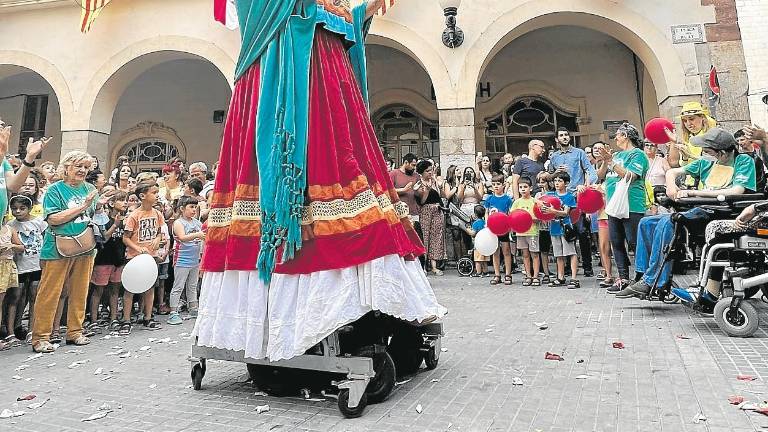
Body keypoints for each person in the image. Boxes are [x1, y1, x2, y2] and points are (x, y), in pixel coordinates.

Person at [195, 0, 444, 362]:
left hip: (329, 80)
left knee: (350, 181)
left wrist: (364, 12)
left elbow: (345, 21)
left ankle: (369, 316)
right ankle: (295, 326)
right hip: (290, 75)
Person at [616, 128, 757, 302]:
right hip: (700, 209)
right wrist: (671, 186)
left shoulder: (742, 161)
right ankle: (642, 276)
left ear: (721, 153)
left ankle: (652, 279)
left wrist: (693, 194)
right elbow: (671, 172)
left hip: (722, 212)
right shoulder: (706, 163)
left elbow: (737, 190)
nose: (705, 153)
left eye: (708, 151)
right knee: (647, 223)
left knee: (668, 222)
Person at [30, 151, 99, 353]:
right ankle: (41, 336)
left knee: (80, 290)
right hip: (57, 247)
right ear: (66, 167)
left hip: (85, 246)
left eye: (86, 167)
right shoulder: (54, 190)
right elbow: (53, 219)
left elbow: (91, 214)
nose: (83, 171)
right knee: (50, 293)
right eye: (78, 166)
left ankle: (75, 332)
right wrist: (83, 206)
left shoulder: (91, 188)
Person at [596, 122, 649, 289]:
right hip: (613, 206)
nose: (615, 138)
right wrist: (606, 161)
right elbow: (600, 175)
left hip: (632, 205)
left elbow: (630, 176)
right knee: (616, 242)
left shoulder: (637, 154)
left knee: (634, 242)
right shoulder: (617, 155)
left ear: (625, 136)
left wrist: (612, 162)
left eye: (617, 135)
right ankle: (623, 278)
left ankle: (642, 277)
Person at [545, 127, 597, 278]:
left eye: (566, 135)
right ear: (557, 139)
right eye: (561, 135)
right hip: (560, 198)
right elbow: (548, 178)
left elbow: (589, 171)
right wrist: (555, 173)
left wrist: (586, 186)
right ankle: (567, 268)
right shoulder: (554, 157)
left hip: (576, 196)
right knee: (563, 232)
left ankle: (587, 266)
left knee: (581, 231)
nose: (565, 137)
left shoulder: (579, 153)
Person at [121, 181, 165, 335]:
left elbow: (159, 232)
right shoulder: (134, 215)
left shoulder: (157, 214)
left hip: (150, 256)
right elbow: (125, 238)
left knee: (150, 287)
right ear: (142, 196)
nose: (157, 195)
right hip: (135, 257)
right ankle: (126, 319)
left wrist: (158, 239)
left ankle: (148, 317)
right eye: (154, 192)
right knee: (130, 289)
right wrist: (137, 248)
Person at [8, 194, 46, 343]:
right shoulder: (11, 225)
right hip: (19, 266)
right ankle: (12, 330)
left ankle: (32, 329)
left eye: (22, 208)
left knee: (34, 296)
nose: (18, 211)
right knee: (15, 297)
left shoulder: (39, 222)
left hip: (36, 265)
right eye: (14, 209)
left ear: (30, 208)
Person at [89, 191, 128, 332]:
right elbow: (104, 238)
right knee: (98, 290)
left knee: (115, 290)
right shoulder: (103, 219)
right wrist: (115, 225)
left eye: (126, 200)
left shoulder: (126, 220)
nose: (125, 203)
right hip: (103, 260)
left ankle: (114, 318)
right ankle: (93, 319)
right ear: (111, 203)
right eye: (122, 200)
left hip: (119, 259)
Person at [168, 196, 204, 325]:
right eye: (191, 207)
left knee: (193, 285)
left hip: (195, 259)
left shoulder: (197, 223)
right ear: (182, 209)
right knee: (178, 286)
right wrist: (197, 235)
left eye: (195, 207)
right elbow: (182, 237)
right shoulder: (178, 223)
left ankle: (193, 307)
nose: (194, 210)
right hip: (182, 259)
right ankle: (173, 312)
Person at [542, 171, 579, 288]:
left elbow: (565, 212)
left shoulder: (569, 196)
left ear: (566, 183)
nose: (557, 183)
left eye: (560, 181)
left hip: (565, 227)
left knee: (571, 252)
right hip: (554, 227)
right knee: (558, 254)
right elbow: (541, 204)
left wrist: (553, 211)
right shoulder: (550, 195)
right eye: (555, 181)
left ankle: (574, 278)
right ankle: (560, 276)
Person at [415, 160, 446, 275]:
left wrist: (439, 185)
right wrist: (427, 191)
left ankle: (434, 266)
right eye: (427, 171)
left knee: (437, 236)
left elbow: (442, 196)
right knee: (425, 236)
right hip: (425, 210)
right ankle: (424, 265)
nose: (430, 173)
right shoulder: (418, 183)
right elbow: (422, 201)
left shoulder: (434, 181)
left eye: (431, 170)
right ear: (422, 172)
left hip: (437, 209)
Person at [666, 102, 716, 169]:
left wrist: (690, 155)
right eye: (685, 120)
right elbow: (682, 165)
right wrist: (685, 157)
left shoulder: (712, 136)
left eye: (691, 119)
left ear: (702, 118)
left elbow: (714, 161)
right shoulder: (688, 139)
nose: (688, 124)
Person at [0, 213, 25, 347]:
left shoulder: (9, 229)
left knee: (12, 297)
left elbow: (21, 247)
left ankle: (9, 332)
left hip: (9, 266)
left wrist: (11, 246)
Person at [485, 174, 514, 285]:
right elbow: (487, 212)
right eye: (494, 184)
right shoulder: (489, 199)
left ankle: (508, 274)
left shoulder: (507, 199)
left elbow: (509, 213)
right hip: (492, 229)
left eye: (498, 184)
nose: (496, 186)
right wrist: (487, 224)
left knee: (506, 251)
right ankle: (497, 274)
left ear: (503, 185)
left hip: (504, 228)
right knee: (495, 251)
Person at [511, 178, 540, 286]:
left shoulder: (534, 201)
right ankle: (528, 276)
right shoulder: (517, 202)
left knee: (535, 254)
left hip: (532, 232)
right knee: (525, 255)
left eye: (525, 187)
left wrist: (531, 218)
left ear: (531, 188)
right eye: (521, 187)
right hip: (521, 233)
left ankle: (536, 276)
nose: (523, 189)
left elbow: (539, 217)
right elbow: (512, 216)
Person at [735, 129, 766, 193]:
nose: (740, 143)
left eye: (742, 140)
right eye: (738, 141)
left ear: (749, 139)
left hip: (762, 184)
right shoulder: (738, 155)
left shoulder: (759, 149)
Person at [535, 175, 552, 283]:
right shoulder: (537, 195)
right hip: (542, 227)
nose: (541, 184)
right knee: (544, 250)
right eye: (540, 182)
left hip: (553, 225)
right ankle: (546, 273)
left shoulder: (552, 194)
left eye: (544, 182)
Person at [468, 205, 488, 277]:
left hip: (478, 244)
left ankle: (478, 272)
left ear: (475, 214)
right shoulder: (484, 223)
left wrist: (468, 230)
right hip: (485, 243)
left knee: (478, 260)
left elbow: (473, 234)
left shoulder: (475, 223)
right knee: (484, 259)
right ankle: (486, 272)